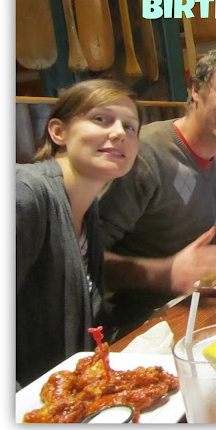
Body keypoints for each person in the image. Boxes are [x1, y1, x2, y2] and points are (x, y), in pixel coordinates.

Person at [98, 45, 216, 330]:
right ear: (196, 90)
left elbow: (197, 228)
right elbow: (82, 256)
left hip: (194, 308)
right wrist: (164, 273)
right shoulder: (145, 155)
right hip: (136, 325)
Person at [16, 79, 141, 388]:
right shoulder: (24, 193)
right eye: (101, 119)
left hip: (62, 392)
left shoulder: (88, 209)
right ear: (58, 132)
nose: (119, 133)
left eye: (130, 127)